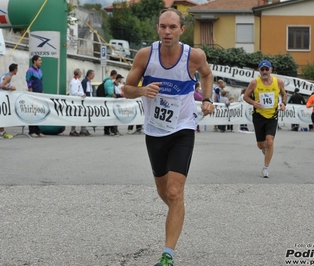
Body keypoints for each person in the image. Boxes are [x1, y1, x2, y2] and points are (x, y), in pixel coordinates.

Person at [122, 8, 215, 266]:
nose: (167, 31)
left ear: (182, 30)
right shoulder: (145, 55)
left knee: (174, 191)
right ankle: (178, 210)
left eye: (172, 27)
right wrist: (142, 90)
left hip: (183, 129)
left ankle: (167, 256)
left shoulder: (193, 56)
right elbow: (126, 89)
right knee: (164, 191)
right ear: (157, 28)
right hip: (154, 131)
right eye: (163, 26)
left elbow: (207, 75)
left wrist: (207, 98)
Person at [243, 60, 287, 178]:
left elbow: (284, 94)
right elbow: (245, 97)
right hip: (258, 116)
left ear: (271, 70)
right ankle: (265, 149)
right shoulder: (254, 83)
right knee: (260, 144)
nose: (264, 72)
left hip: (272, 115)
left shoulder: (278, 82)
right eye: (262, 69)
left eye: (267, 69)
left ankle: (265, 168)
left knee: (270, 141)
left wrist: (283, 104)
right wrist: (253, 102)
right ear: (259, 70)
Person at [0, 63, 18, 139]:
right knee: (2, 114)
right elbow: (1, 86)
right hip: (1, 97)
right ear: (15, 70)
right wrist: (10, 88)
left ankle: (2, 132)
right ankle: (2, 133)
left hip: (0, 96)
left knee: (2, 114)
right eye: (17, 69)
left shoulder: (7, 75)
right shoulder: (8, 76)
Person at [26, 55, 45, 137]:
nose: (41, 61)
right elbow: (28, 80)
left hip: (39, 92)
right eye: (39, 60)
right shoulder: (30, 70)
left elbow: (41, 81)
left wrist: (42, 90)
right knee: (32, 111)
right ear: (34, 61)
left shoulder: (40, 70)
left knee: (38, 112)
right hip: (33, 92)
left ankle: (37, 130)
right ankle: (31, 130)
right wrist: (30, 89)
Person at [69, 68, 90, 136]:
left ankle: (83, 128)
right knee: (75, 115)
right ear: (78, 74)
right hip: (75, 101)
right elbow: (74, 92)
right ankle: (72, 130)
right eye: (80, 73)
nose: (81, 74)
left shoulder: (77, 80)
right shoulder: (74, 81)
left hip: (79, 100)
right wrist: (82, 94)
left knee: (82, 114)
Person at [103, 70, 118, 136]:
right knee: (111, 115)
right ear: (114, 75)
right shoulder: (109, 82)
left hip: (108, 99)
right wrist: (115, 96)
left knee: (108, 115)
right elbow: (110, 91)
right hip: (109, 99)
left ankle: (107, 130)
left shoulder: (107, 81)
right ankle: (111, 129)